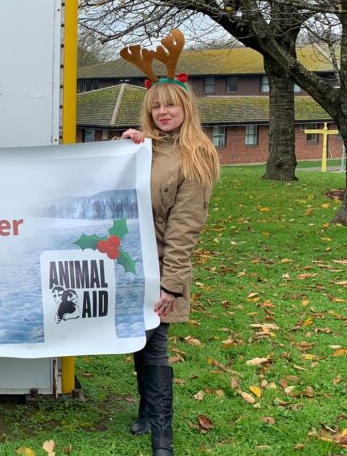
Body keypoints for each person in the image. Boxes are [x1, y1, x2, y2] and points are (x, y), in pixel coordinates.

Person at [122, 77, 219, 456]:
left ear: (186, 109)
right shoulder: (145, 148)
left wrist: (171, 285)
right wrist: (125, 151)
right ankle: (146, 412)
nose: (162, 113)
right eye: (155, 106)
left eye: (170, 106)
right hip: (131, 262)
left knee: (156, 346)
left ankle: (162, 438)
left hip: (163, 267)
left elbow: (185, 227)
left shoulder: (196, 155)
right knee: (139, 341)